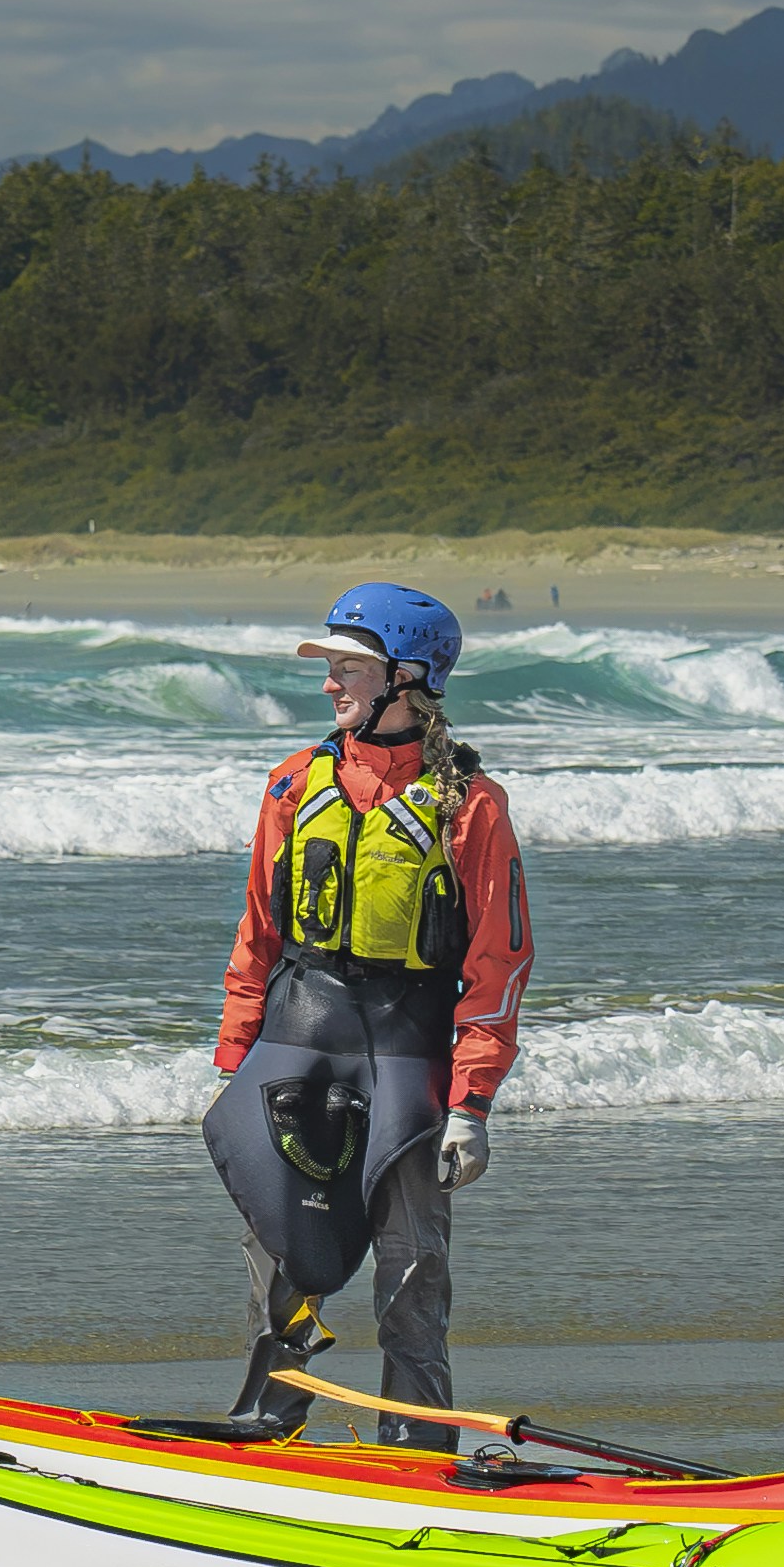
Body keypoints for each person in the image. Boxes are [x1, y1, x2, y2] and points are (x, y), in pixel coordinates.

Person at [208, 584, 528, 1445]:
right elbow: (258, 934)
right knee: (280, 1255)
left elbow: (496, 967)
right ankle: (266, 1422)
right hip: (298, 1041)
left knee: (412, 1273)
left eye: (347, 667)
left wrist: (471, 1106)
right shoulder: (291, 785)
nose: (329, 685)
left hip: (407, 1055)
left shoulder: (472, 806)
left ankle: (419, 1448)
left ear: (408, 676)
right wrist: (234, 1057)